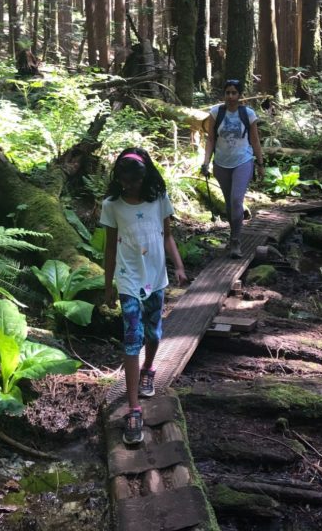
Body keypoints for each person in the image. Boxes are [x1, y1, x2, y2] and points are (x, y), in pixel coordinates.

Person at [101, 147, 187, 445]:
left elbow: (168, 236)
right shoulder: (112, 205)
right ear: (119, 177)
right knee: (131, 337)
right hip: (128, 280)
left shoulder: (158, 200)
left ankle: (149, 368)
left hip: (156, 279)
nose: (130, 185)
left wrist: (179, 266)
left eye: (135, 180)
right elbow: (110, 247)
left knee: (153, 333)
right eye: (125, 180)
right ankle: (133, 407)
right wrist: (108, 284)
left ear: (144, 176)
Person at [200, 78, 263, 258]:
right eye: (227, 92)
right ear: (224, 94)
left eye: (234, 92)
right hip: (221, 163)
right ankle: (232, 236)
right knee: (229, 203)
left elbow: (255, 140)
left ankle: (236, 241)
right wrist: (205, 161)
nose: (230, 96)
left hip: (243, 161)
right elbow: (211, 139)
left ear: (240, 95)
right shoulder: (215, 112)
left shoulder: (248, 114)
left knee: (236, 200)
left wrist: (260, 163)